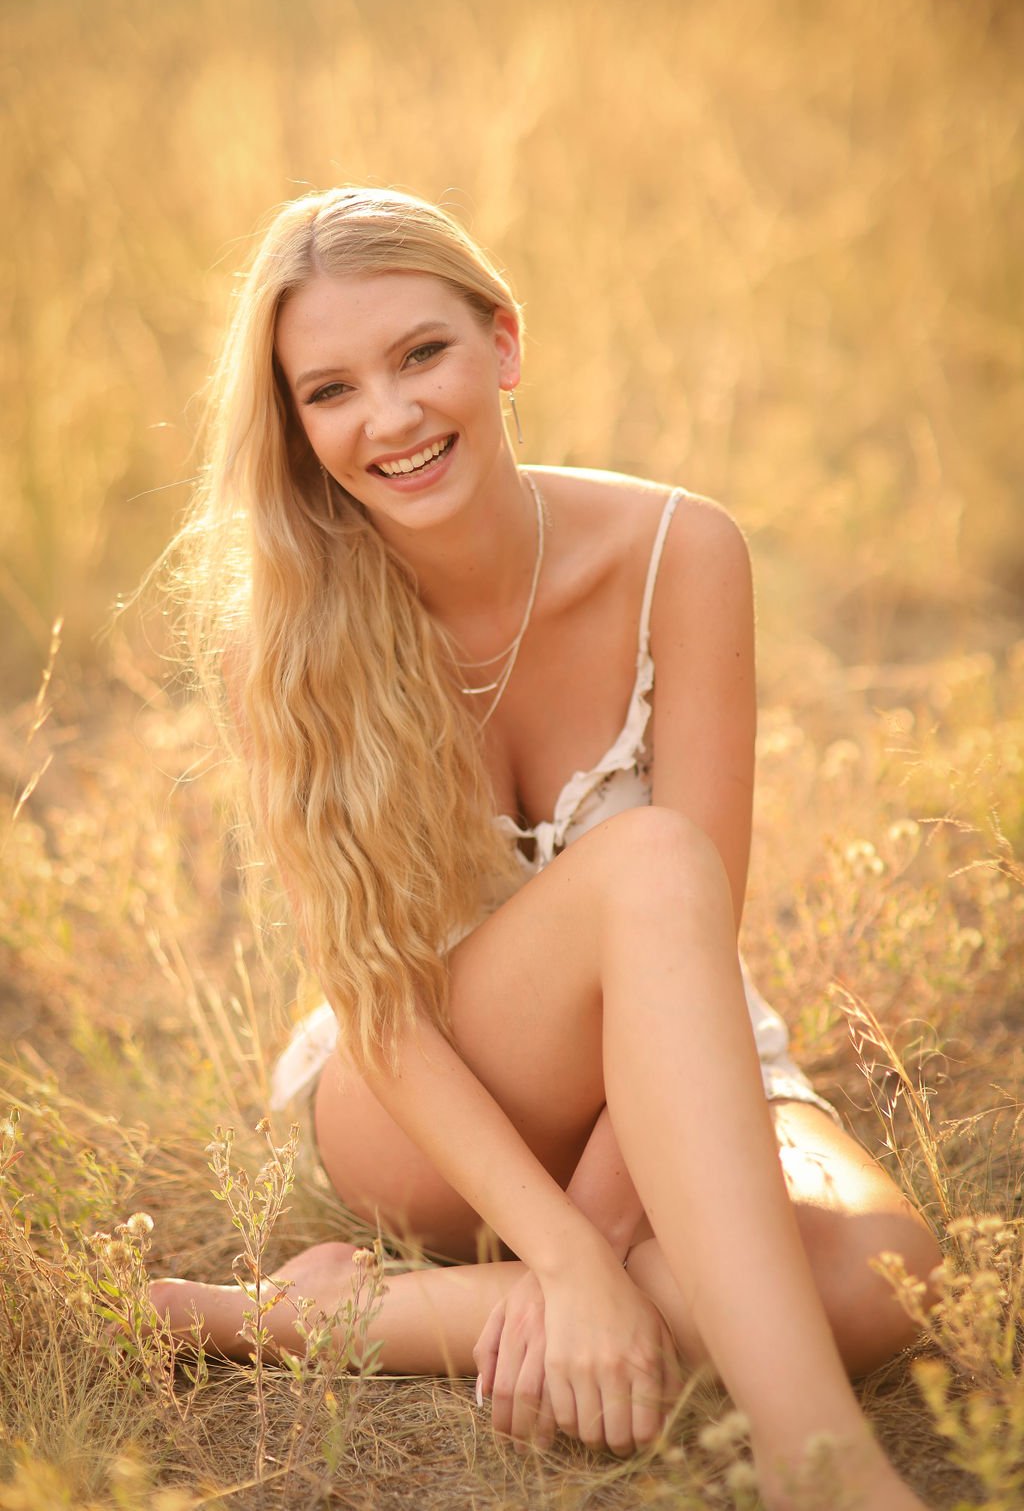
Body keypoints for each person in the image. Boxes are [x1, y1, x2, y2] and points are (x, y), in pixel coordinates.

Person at [150, 186, 941, 1510]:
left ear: (503, 346)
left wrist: (596, 1246)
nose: (391, 419)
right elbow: (377, 1005)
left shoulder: (678, 552)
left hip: (676, 1062)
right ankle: (835, 1477)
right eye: (331, 389)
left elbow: (709, 926)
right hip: (423, 1091)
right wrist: (571, 1257)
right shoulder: (283, 640)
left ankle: (291, 1318)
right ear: (296, 427)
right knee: (651, 865)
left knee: (885, 1278)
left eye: (421, 355)